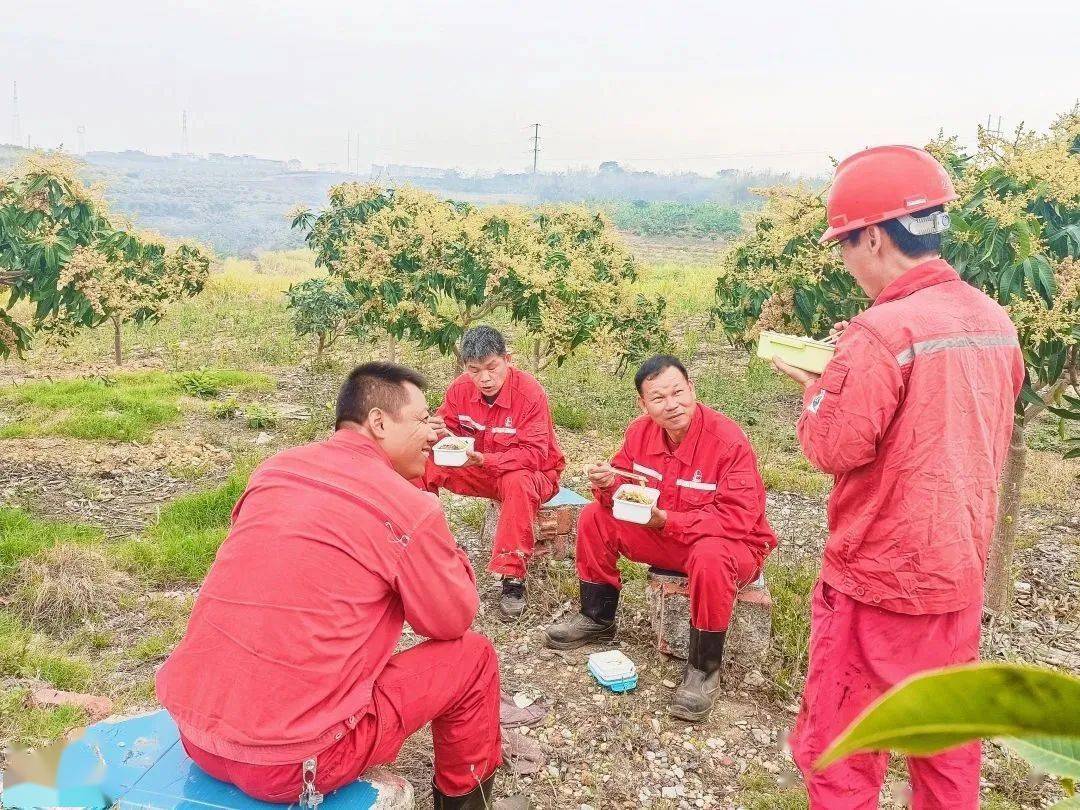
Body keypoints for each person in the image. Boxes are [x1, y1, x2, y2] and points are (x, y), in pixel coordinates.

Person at [772, 146, 1025, 808]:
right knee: (944, 748)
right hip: (956, 577)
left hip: (877, 584)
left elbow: (833, 447)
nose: (847, 263)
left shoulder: (881, 331)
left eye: (844, 246)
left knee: (844, 751)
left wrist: (817, 391)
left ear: (875, 236)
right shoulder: (995, 322)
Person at [156, 362, 502, 810]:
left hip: (197, 734)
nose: (433, 433)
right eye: (422, 419)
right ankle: (466, 802)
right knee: (473, 658)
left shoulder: (276, 469)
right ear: (378, 422)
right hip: (293, 763)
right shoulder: (407, 506)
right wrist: (427, 518)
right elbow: (450, 620)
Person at [545, 355, 777, 722]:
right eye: (658, 398)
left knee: (710, 555)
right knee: (594, 517)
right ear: (643, 403)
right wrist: (607, 485)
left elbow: (739, 518)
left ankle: (703, 668)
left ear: (692, 389)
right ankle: (597, 616)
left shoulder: (727, 440)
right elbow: (623, 490)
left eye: (678, 393)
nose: (671, 405)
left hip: (732, 545)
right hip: (667, 533)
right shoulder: (639, 432)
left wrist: (667, 520)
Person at [421, 325, 565, 619]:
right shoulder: (460, 389)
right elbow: (446, 428)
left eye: (491, 367)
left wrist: (485, 459)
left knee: (518, 481)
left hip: (533, 474)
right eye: (474, 370)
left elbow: (535, 455)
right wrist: (432, 430)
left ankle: (513, 578)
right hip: (481, 468)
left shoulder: (530, 393)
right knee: (423, 464)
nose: (484, 378)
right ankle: (421, 548)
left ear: (508, 359)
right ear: (464, 367)